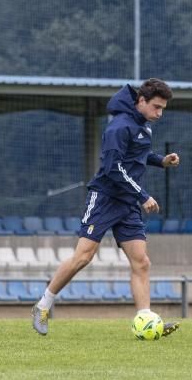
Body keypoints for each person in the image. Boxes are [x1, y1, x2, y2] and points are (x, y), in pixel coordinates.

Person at [31, 78, 181, 336]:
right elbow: (113, 168)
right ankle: (43, 305)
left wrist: (161, 161)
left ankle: (145, 319)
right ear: (141, 101)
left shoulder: (143, 126)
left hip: (128, 203)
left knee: (141, 262)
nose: (159, 113)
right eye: (156, 107)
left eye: (162, 109)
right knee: (83, 257)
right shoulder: (119, 127)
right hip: (105, 199)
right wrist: (143, 195)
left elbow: (137, 155)